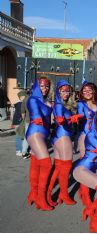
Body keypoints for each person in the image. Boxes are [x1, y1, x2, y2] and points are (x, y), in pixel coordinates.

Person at [46, 80, 77, 207]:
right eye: (63, 91)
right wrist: (71, 119)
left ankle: (47, 194)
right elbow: (60, 120)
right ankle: (63, 194)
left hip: (59, 137)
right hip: (63, 137)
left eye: (67, 90)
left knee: (58, 168)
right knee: (66, 167)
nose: (66, 93)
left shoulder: (62, 104)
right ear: (58, 91)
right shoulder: (59, 105)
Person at [26, 77, 54, 211]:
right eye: (42, 86)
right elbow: (34, 111)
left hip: (42, 135)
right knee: (47, 164)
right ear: (37, 87)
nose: (45, 89)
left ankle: (32, 193)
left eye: (47, 86)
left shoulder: (46, 101)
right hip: (35, 133)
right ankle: (40, 198)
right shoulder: (33, 99)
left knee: (35, 163)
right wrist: (37, 117)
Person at [76, 82, 97, 207]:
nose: (87, 92)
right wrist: (78, 117)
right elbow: (81, 114)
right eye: (84, 90)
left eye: (89, 90)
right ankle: (86, 196)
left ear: (94, 91)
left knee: (93, 165)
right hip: (84, 137)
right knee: (84, 166)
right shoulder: (81, 104)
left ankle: (84, 189)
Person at [12, 90, 27, 156]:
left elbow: (13, 105)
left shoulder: (18, 103)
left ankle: (22, 149)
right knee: (19, 137)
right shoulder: (21, 104)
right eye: (24, 96)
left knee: (22, 136)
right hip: (19, 122)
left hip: (17, 122)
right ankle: (18, 150)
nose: (25, 98)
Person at [21, 90, 31, 159]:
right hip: (35, 121)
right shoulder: (36, 98)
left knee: (26, 137)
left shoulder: (25, 99)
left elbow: (22, 112)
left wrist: (24, 120)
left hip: (27, 120)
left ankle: (24, 152)